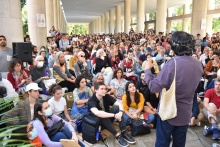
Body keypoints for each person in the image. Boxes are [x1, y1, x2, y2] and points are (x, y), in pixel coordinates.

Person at [144, 31, 203, 147]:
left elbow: (153, 86)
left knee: (162, 143)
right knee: (180, 144)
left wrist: (147, 70)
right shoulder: (198, 64)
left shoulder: (173, 63)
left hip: (169, 112)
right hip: (186, 112)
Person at [88, 82, 136, 147]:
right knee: (101, 114)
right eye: (101, 89)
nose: (104, 90)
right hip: (98, 123)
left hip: (108, 119)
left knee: (117, 108)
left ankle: (123, 131)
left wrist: (120, 112)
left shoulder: (106, 96)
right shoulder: (91, 100)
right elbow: (97, 113)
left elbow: (119, 104)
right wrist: (114, 115)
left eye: (105, 89)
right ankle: (117, 135)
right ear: (96, 90)